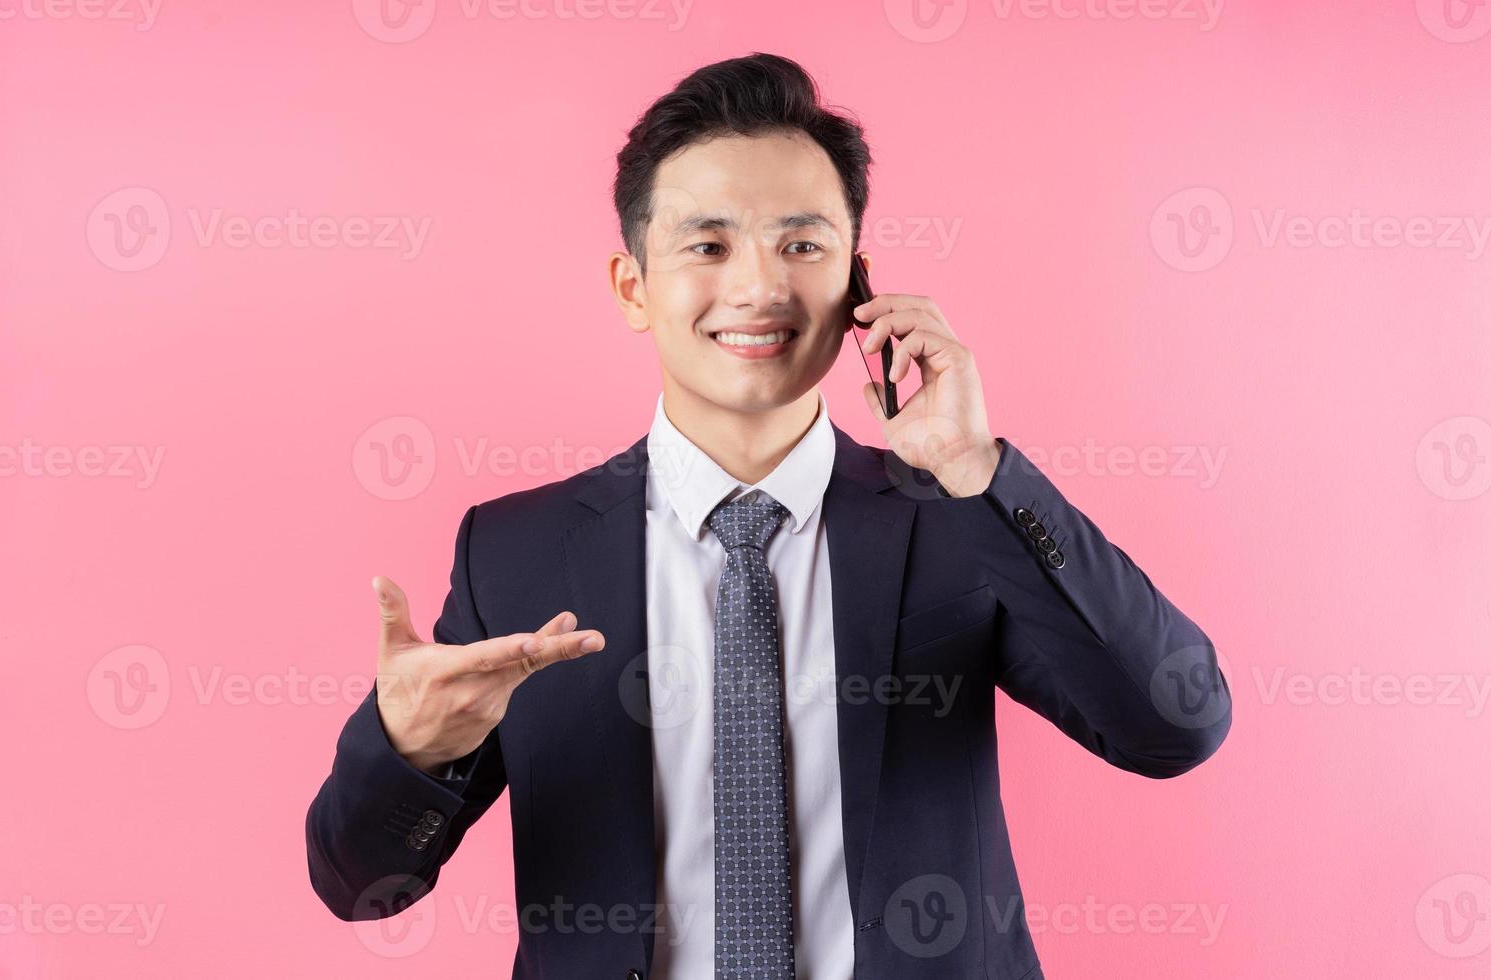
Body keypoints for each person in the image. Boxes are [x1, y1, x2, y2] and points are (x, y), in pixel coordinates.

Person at [305, 51, 1232, 980]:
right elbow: (359, 884)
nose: (759, 288)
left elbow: (1171, 727)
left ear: (859, 281)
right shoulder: (516, 552)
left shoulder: (957, 517)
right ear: (634, 287)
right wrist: (411, 750)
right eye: (707, 246)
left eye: (802, 244)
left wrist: (970, 464)